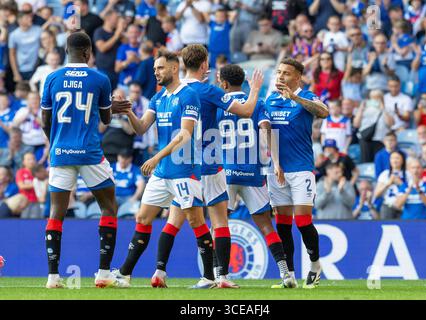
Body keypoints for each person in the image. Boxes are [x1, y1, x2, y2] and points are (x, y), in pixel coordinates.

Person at [145, 45, 264, 289]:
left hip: (183, 167)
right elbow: (247, 111)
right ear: (203, 65)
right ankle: (220, 276)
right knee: (219, 221)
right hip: (209, 166)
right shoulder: (209, 90)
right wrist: (255, 90)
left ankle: (160, 270)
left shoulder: (174, 91)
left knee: (173, 221)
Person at [111, 50, 214, 289]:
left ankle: (209, 277)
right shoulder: (158, 98)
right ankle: (125, 274)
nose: (156, 72)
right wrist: (128, 112)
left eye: (160, 68)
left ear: (174, 68)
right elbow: (141, 128)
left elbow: (185, 134)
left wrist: (156, 157)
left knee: (196, 221)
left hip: (184, 170)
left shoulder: (188, 96)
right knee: (143, 217)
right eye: (155, 69)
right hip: (162, 172)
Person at [40, 31, 132, 289]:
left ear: (66, 51)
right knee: (109, 207)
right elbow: (104, 119)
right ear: (88, 52)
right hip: (90, 153)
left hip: (61, 153)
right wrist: (112, 108)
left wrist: (56, 141)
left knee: (57, 213)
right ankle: (103, 273)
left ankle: (53, 277)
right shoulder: (100, 79)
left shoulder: (52, 78)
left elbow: (46, 121)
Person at [215, 64, 294, 287]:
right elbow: (268, 130)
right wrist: (276, 162)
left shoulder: (219, 105)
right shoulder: (257, 103)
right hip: (254, 173)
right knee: (266, 225)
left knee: (219, 223)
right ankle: (285, 273)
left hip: (226, 173)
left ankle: (220, 274)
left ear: (224, 84)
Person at [265, 57, 329, 288]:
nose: (281, 76)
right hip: (277, 170)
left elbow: (324, 112)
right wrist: (274, 162)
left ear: (298, 77)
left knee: (302, 221)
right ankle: (289, 275)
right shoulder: (270, 99)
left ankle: (315, 265)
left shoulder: (307, 96)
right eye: (279, 72)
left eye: (287, 73)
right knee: (283, 224)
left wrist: (296, 98)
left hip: (301, 168)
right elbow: (268, 132)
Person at [354, 90, 394, 163]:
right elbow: (356, 124)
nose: (375, 99)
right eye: (373, 97)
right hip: (365, 139)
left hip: (380, 140)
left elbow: (390, 124)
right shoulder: (364, 109)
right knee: (366, 162)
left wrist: (383, 109)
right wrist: (361, 109)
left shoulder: (387, 109)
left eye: (377, 97)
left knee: (379, 161)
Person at [12, 91, 48, 164]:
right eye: (31, 99)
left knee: (39, 165)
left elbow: (45, 126)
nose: (34, 101)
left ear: (40, 100)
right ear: (28, 100)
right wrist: (26, 114)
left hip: (40, 143)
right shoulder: (22, 110)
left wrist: (34, 115)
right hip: (25, 143)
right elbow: (14, 125)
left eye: (36, 99)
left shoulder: (44, 112)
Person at [93, 9, 125, 90]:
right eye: (116, 18)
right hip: (103, 70)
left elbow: (128, 42)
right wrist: (116, 35)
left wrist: (121, 29)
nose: (117, 20)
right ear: (108, 18)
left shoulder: (118, 33)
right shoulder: (99, 31)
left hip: (116, 71)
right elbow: (102, 48)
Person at [8, 10, 41, 82]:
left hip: (36, 68)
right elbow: (12, 55)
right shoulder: (13, 35)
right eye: (27, 18)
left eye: (30, 17)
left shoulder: (38, 30)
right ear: (20, 20)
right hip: (21, 70)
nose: (30, 19)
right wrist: (16, 73)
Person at [374, 150, 408, 219]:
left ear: (402, 160)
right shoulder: (384, 174)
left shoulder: (408, 174)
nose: (394, 160)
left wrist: (401, 183)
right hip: (388, 205)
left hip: (404, 206)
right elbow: (376, 194)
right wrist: (388, 183)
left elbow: (411, 192)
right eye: (392, 158)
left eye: (397, 158)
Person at [115, 24, 141, 92]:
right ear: (127, 34)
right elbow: (117, 69)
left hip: (139, 86)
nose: (133, 35)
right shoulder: (123, 48)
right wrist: (128, 61)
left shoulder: (143, 47)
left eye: (136, 32)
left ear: (139, 34)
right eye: (131, 32)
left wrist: (136, 59)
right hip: (124, 85)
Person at [15, 152, 40, 218]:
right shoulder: (20, 172)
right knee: (25, 222)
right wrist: (37, 184)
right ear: (23, 162)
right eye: (28, 159)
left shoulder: (39, 172)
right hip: (25, 202)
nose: (31, 161)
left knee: (36, 222)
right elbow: (21, 186)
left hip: (37, 202)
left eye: (33, 159)